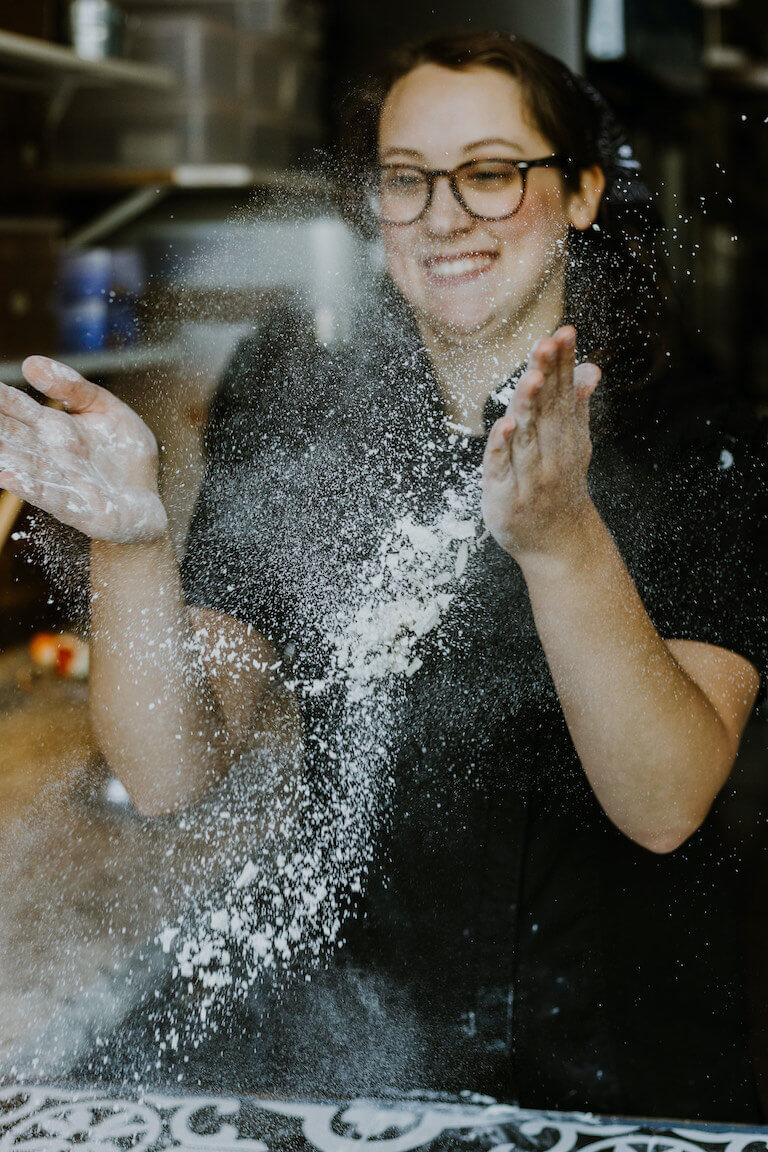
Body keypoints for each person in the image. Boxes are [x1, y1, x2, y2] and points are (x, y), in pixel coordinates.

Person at [0, 30, 765, 1121]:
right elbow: (175, 767)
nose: (444, 214)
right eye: (407, 179)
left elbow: (666, 802)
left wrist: (560, 540)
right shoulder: (297, 403)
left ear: (583, 192)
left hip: (612, 1073)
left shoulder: (694, 442)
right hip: (364, 1061)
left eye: (493, 172)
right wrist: (133, 551)